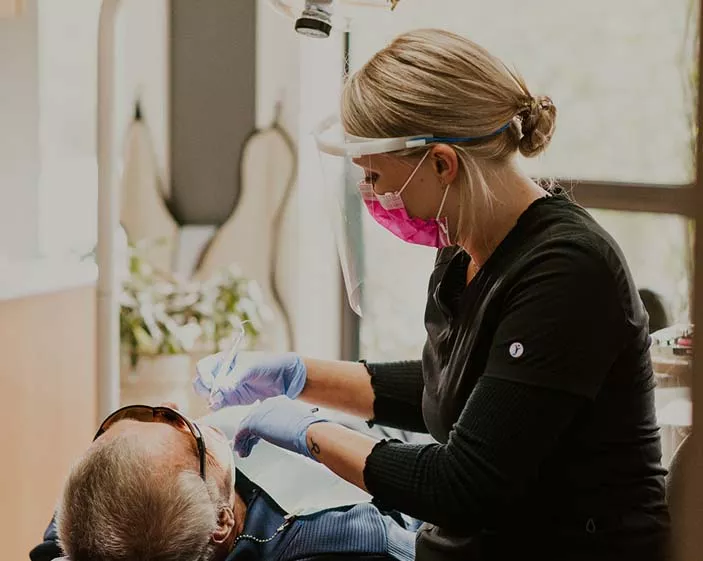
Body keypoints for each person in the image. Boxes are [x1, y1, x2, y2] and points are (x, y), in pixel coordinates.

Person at [196, 28, 671, 561]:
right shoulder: (463, 245)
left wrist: (311, 433)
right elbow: (456, 388)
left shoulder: (568, 271)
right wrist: (297, 375)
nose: (371, 195)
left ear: (443, 164)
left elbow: (461, 487)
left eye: (376, 176)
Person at [29, 404, 415, 561]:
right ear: (221, 522)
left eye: (153, 415)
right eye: (190, 436)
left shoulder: (86, 526)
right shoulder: (349, 543)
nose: (178, 412)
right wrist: (325, 437)